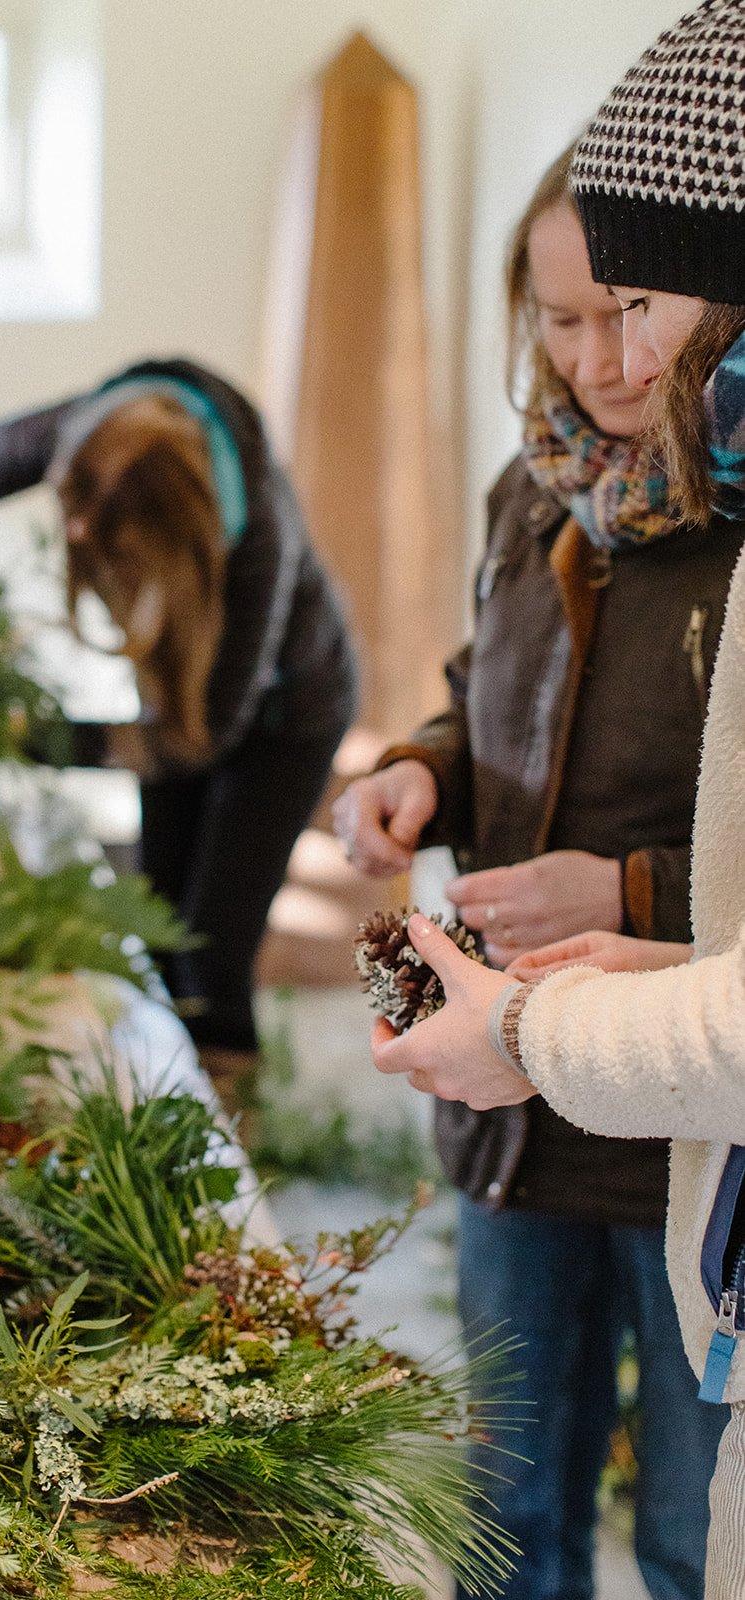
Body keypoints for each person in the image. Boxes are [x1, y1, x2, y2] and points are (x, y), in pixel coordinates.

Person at [366, 3, 745, 1592]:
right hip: (506, 1102)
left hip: (667, 1100)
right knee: (501, 1502)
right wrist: (415, 770)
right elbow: (485, 688)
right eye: (565, 319)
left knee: (685, 1518)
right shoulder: (527, 496)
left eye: (629, 308)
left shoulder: (730, 522)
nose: (607, 360)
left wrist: (625, 896)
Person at [0, 357, 357, 1078]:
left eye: (110, 531)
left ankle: (231, 1137)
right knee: (153, 924)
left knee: (210, 953)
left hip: (289, 717)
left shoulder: (258, 541)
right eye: (72, 502)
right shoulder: (90, 437)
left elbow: (196, 742)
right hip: (181, 705)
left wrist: (15, 734)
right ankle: (164, 1093)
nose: (76, 527)